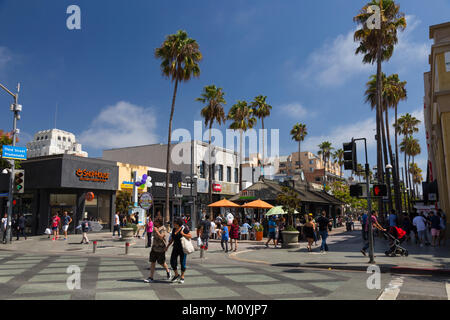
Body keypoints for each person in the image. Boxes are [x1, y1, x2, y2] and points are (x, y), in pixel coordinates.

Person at [144, 218, 171, 283]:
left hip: (161, 248)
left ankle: (168, 270)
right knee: (152, 262)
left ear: (159, 222)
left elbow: (161, 237)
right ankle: (151, 277)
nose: (154, 223)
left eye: (155, 221)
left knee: (161, 262)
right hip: (154, 247)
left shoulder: (163, 228)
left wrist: (157, 231)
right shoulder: (155, 228)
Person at [166, 218, 192, 284]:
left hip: (182, 248)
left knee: (182, 262)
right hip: (175, 248)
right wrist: (167, 246)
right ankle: (176, 275)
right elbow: (172, 239)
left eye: (174, 222)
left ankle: (182, 277)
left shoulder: (184, 229)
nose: (173, 224)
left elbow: (190, 236)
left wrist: (183, 234)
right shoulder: (174, 229)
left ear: (177, 223)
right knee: (172, 261)